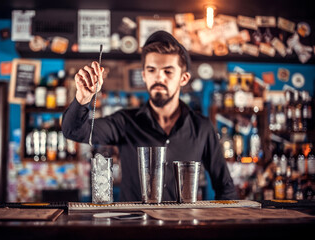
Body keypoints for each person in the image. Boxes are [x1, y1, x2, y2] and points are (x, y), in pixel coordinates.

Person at [62, 30, 237, 201]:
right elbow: (74, 131)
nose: (159, 77)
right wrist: (82, 98)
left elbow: (225, 187)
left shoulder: (202, 127)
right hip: (133, 228)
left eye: (168, 71)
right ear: (144, 75)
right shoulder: (125, 121)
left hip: (183, 227)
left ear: (183, 78)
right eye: (152, 70)